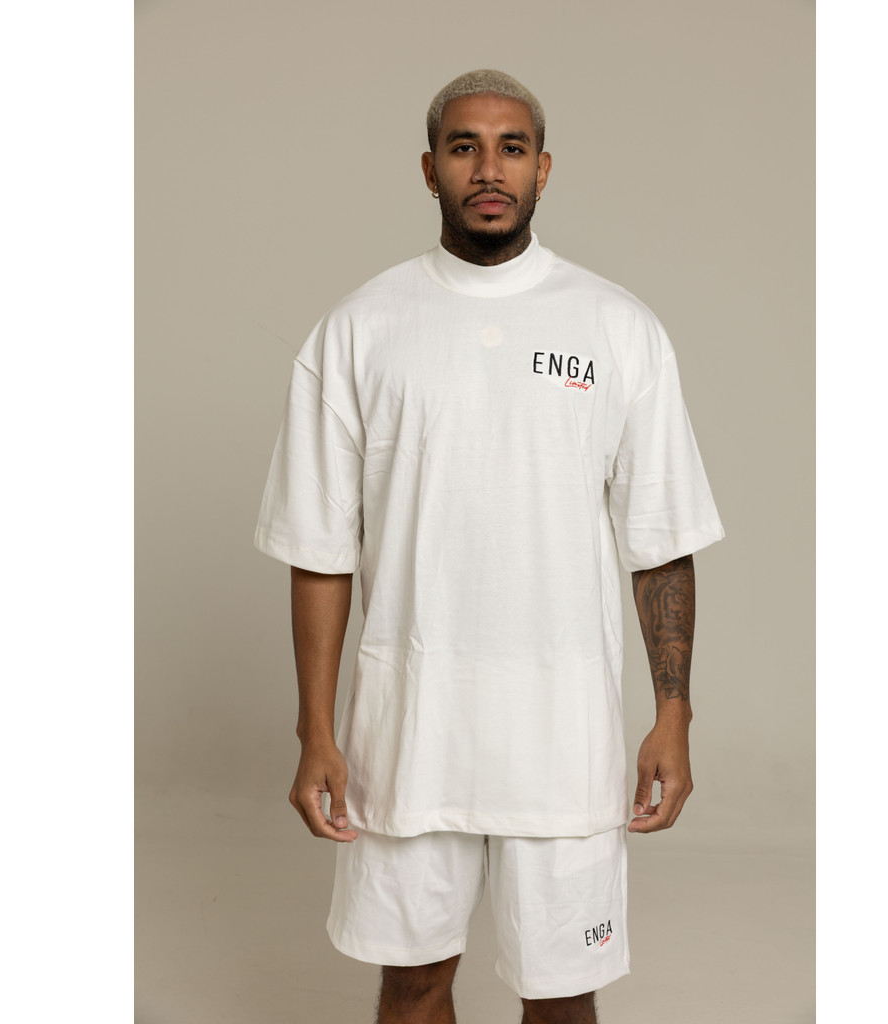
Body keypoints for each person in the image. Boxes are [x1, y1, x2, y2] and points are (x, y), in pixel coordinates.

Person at [255, 69, 724, 1024]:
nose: (488, 168)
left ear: (543, 169)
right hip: (406, 740)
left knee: (561, 996)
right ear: (429, 169)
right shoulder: (359, 330)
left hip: (564, 743)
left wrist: (672, 713)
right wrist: (317, 731)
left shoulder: (618, 328)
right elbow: (319, 549)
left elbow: (661, 539)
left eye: (512, 148)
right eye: (464, 147)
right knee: (413, 985)